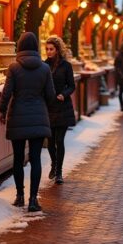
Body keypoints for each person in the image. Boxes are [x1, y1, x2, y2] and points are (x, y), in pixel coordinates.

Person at [0, 32, 56, 211]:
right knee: (35, 159)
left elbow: (7, 92)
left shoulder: (14, 68)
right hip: (38, 116)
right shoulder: (45, 69)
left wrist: (2, 110)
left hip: (17, 116)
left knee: (18, 158)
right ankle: (33, 200)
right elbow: (51, 95)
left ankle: (19, 196)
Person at [44, 36, 76, 185]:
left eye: (51, 49)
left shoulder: (66, 66)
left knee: (59, 140)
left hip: (63, 107)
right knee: (50, 142)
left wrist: (64, 94)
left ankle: (59, 172)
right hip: (49, 107)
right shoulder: (44, 65)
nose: (49, 51)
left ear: (57, 50)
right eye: (47, 49)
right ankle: (53, 163)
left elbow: (72, 85)